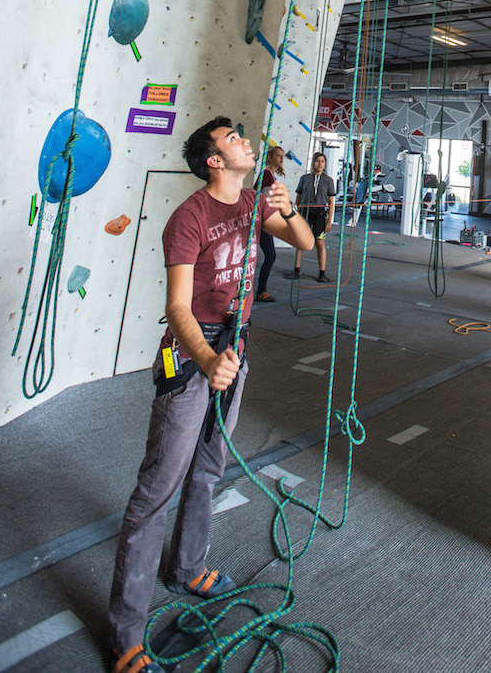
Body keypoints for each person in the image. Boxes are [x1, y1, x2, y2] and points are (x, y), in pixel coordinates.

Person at [108, 117, 314, 673]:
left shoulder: (253, 202)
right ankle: (127, 632)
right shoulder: (190, 217)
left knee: (208, 467)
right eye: (233, 138)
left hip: (234, 354)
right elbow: (177, 307)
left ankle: (188, 567)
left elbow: (306, 242)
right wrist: (205, 362)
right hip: (192, 359)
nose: (245, 140)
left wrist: (287, 206)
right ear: (214, 161)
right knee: (159, 484)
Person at [293, 151, 336, 283]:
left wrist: (329, 221)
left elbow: (331, 203)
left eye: (322, 161)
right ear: (313, 163)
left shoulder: (329, 181)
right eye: (318, 161)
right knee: (301, 242)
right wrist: (298, 213)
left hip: (320, 213)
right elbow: (298, 197)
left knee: (319, 243)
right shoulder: (304, 179)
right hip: (306, 211)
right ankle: (296, 270)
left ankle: (322, 273)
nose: (320, 163)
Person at [255, 143, 286, 302]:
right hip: (260, 221)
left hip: (262, 220)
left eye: (282, 156)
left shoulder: (269, 176)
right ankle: (261, 290)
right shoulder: (266, 175)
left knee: (269, 255)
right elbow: (259, 197)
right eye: (278, 156)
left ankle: (261, 289)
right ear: (270, 158)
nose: (281, 159)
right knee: (270, 255)